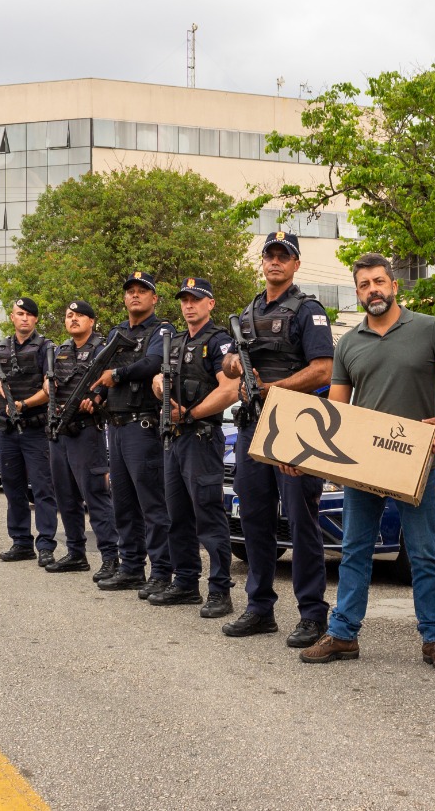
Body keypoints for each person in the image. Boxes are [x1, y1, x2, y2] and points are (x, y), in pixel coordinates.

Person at [299, 254, 435, 671]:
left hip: (413, 459)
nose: (372, 289)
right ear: (357, 293)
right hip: (363, 462)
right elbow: (336, 408)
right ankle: (342, 634)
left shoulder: (427, 329)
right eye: (364, 285)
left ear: (394, 285)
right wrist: (307, 452)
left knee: (424, 552)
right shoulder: (349, 342)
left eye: (379, 281)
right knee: (355, 549)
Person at [221, 231, 333, 648]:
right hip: (252, 426)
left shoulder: (309, 310)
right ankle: (260, 608)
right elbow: (231, 361)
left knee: (302, 521)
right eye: (269, 256)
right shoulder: (248, 311)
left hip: (295, 425)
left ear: (295, 264)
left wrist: (276, 388)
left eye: (283, 257)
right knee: (254, 520)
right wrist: (233, 364)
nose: (274, 262)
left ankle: (312, 614)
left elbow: (324, 369)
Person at [147, 278, 238, 617]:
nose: (189, 305)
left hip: (201, 436)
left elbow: (229, 390)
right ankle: (185, 583)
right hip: (175, 438)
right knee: (177, 516)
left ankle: (219, 591)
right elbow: (159, 379)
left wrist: (190, 413)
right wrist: (159, 387)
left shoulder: (219, 342)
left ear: (210, 304)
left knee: (209, 517)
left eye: (196, 300)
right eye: (185, 300)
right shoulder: (176, 341)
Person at [91, 273, 176, 596]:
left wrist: (118, 374)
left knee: (152, 504)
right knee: (122, 502)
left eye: (143, 291)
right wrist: (97, 394)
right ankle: (130, 567)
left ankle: (162, 570)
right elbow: (101, 374)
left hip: (144, 426)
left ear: (154, 298)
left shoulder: (161, 330)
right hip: (117, 425)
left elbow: (154, 362)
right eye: (130, 292)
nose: (136, 296)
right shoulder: (116, 333)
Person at [44, 300, 120, 577]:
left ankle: (111, 557)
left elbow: (115, 386)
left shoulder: (103, 350)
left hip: (87, 431)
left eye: (80, 315)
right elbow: (49, 382)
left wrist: (97, 400)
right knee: (65, 497)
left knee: (95, 496)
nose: (73, 319)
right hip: (59, 431)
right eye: (69, 315)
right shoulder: (60, 351)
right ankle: (76, 553)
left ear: (92, 321)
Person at [0, 297, 58, 565]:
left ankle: (46, 544)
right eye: (19, 314)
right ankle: (21, 542)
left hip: (35, 428)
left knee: (42, 488)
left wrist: (23, 404)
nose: (24, 318)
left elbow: (51, 390)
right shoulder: (0, 348)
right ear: (11, 317)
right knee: (12, 488)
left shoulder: (46, 347)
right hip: (7, 430)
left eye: (29, 314)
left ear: (35, 319)